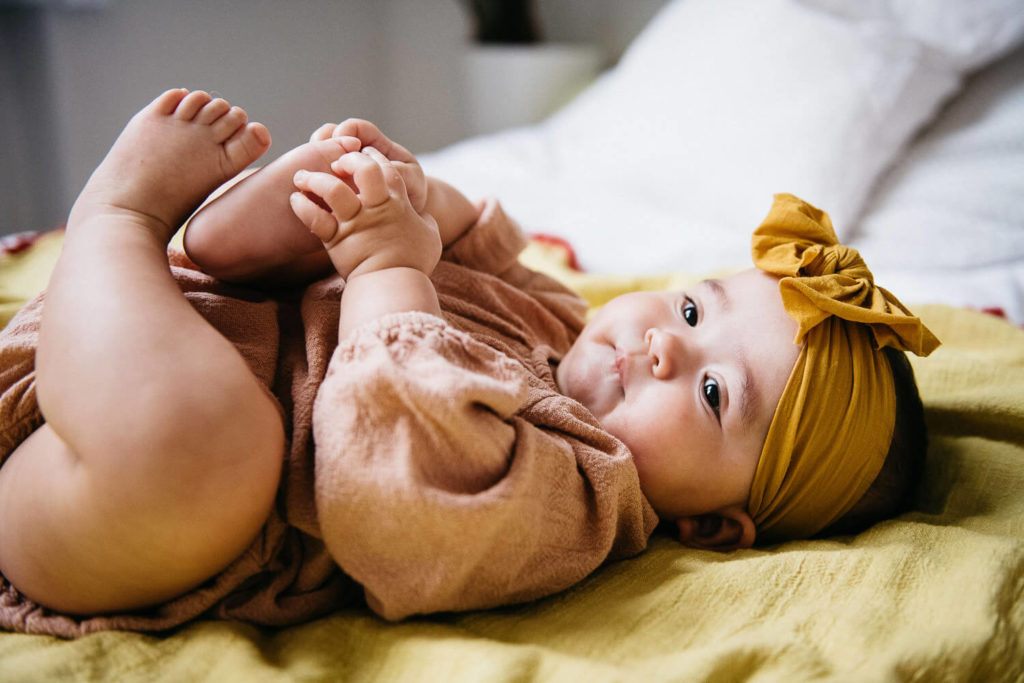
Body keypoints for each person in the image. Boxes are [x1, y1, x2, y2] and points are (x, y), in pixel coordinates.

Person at [0, 90, 938, 637]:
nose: (666, 340)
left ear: (716, 527)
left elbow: (396, 491)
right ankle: (219, 245)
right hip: (126, 335)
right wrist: (407, 197)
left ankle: (117, 221)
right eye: (695, 307)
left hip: (95, 493)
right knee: (373, 205)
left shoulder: (575, 495)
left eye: (712, 390)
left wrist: (386, 266)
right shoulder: (562, 317)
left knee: (211, 450)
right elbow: (484, 245)